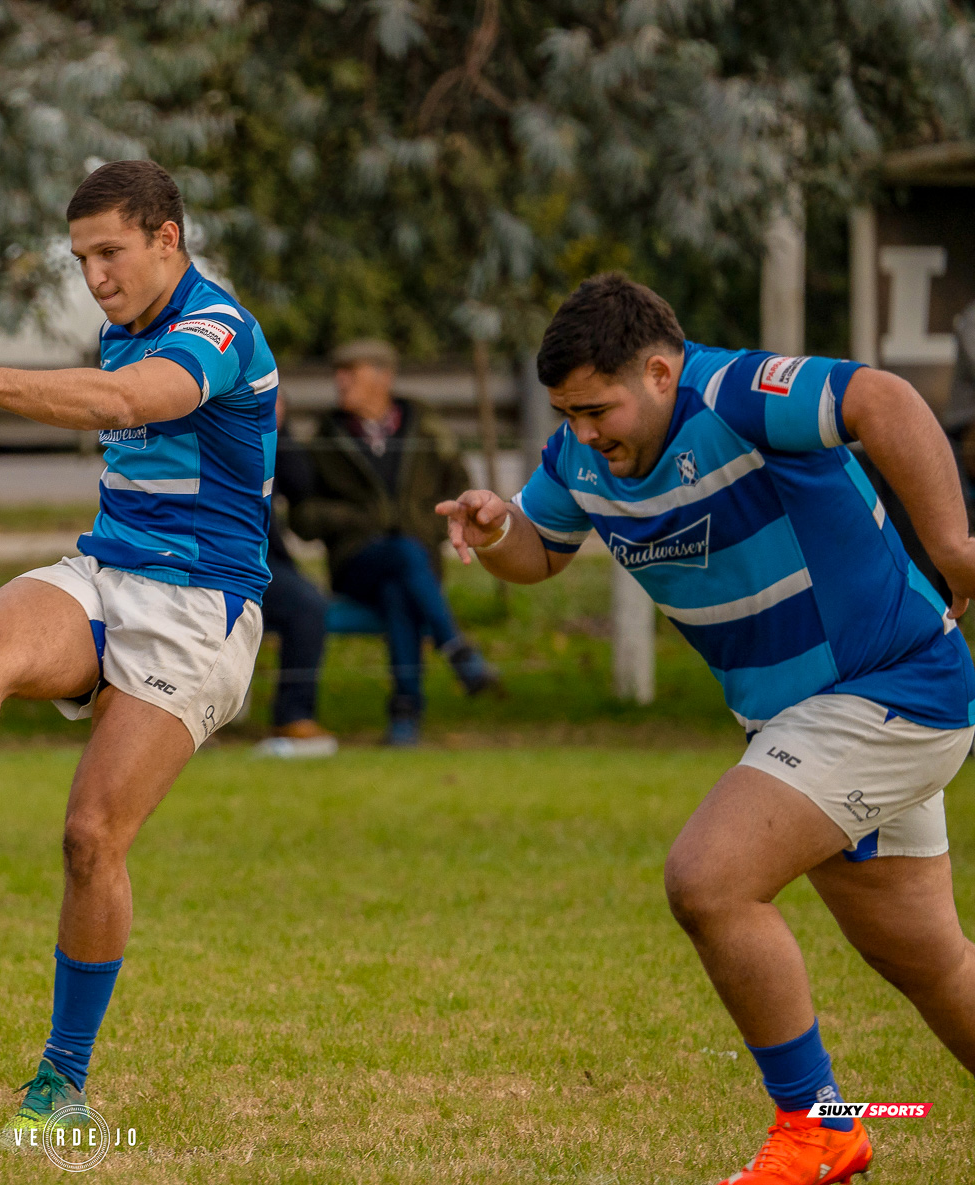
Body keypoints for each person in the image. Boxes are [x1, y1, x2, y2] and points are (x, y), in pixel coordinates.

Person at [439, 273, 975, 1185]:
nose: (583, 432)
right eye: (567, 413)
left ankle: (818, 1128)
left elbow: (883, 399)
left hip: (889, 688)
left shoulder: (734, 394)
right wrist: (496, 532)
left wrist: (958, 547)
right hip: (806, 720)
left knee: (708, 879)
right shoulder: (583, 457)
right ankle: (826, 1125)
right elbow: (543, 550)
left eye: (597, 408)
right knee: (929, 965)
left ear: (658, 370)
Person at [0, 160, 276, 1132]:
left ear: (167, 237)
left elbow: (125, 403)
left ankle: (62, 1083)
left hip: (200, 611)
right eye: (81, 258)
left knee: (89, 838)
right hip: (109, 572)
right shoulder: (124, 325)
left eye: (109, 252)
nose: (95, 276)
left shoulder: (216, 329)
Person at [289, 339, 496, 745]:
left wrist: (422, 525)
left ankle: (405, 716)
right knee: (402, 559)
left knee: (399, 589)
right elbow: (303, 517)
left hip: (415, 567)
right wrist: (360, 520)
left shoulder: (425, 424)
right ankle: (456, 649)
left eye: (352, 371)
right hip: (355, 563)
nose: (340, 380)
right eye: (338, 372)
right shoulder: (324, 437)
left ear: (385, 376)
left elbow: (460, 493)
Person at [256, 390, 335, 756]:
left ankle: (294, 716)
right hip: (215, 557)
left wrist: (278, 430)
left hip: (265, 562)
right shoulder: (218, 436)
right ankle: (293, 713)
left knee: (307, 604)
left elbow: (302, 485)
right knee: (306, 604)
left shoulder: (268, 440)